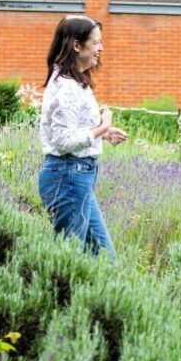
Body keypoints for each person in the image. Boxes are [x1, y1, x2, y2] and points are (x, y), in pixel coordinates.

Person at [38, 15, 127, 262]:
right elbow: (62, 140)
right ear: (77, 45)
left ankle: (97, 302)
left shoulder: (76, 83)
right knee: (68, 261)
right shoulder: (66, 86)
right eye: (96, 42)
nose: (102, 48)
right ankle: (56, 301)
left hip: (76, 178)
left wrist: (105, 132)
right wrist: (101, 128)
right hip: (68, 177)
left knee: (105, 259)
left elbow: (73, 128)